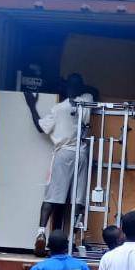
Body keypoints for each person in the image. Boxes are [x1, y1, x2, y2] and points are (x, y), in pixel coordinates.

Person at [28, 73, 95, 256]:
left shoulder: (58, 108)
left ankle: (41, 233)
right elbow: (92, 90)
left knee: (52, 196)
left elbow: (40, 127)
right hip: (81, 153)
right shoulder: (87, 100)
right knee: (77, 199)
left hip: (63, 153)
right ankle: (72, 239)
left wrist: (31, 105)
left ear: (66, 88)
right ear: (80, 87)